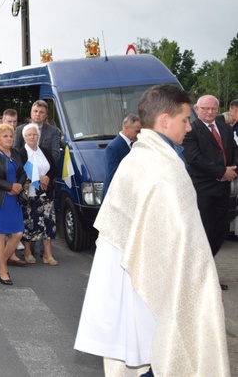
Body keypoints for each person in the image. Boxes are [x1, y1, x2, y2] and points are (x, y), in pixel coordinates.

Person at [75, 84, 229, 376]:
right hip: (150, 289)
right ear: (165, 120)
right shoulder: (163, 168)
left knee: (146, 355)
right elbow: (185, 242)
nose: (188, 127)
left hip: (136, 284)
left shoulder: (139, 158)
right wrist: (202, 289)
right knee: (162, 356)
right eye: (185, 119)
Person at [183, 95, 238, 272]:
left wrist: (233, 171)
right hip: (203, 191)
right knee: (204, 234)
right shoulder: (190, 130)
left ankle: (206, 272)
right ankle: (200, 275)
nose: (209, 112)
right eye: (205, 108)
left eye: (213, 108)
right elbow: (194, 158)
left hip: (223, 190)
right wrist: (222, 172)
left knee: (220, 232)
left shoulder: (226, 129)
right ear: (197, 109)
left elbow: (235, 152)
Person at [0, 123, 27, 285]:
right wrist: (9, 186)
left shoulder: (15, 153)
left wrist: (19, 185)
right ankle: (2, 270)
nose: (9, 139)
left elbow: (22, 172)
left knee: (17, 234)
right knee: (0, 235)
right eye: (5, 136)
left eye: (10, 136)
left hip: (14, 199)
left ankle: (2, 262)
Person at [17, 123, 59, 265]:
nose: (32, 137)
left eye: (34, 134)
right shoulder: (21, 153)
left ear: (38, 136)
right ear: (24, 137)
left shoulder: (45, 152)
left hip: (46, 193)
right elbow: (20, 172)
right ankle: (28, 251)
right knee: (29, 221)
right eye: (29, 135)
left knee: (48, 222)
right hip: (30, 193)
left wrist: (47, 177)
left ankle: (48, 254)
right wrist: (36, 178)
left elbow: (54, 169)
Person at [101, 114, 141, 202]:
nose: (138, 135)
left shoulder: (134, 145)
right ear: (127, 128)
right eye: (137, 131)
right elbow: (112, 175)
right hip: (115, 198)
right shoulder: (113, 147)